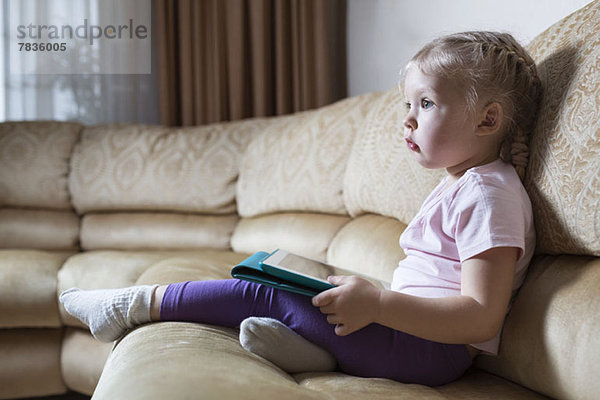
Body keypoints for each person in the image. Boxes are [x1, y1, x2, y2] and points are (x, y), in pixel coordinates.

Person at [60, 31, 541, 387]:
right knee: (282, 278)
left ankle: (127, 306)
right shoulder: (463, 183)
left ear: (488, 119)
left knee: (260, 292)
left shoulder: (488, 195)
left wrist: (376, 303)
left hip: (429, 353)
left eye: (427, 103)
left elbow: (480, 318)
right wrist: (371, 300)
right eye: (407, 104)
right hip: (410, 337)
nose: (408, 120)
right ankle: (312, 352)